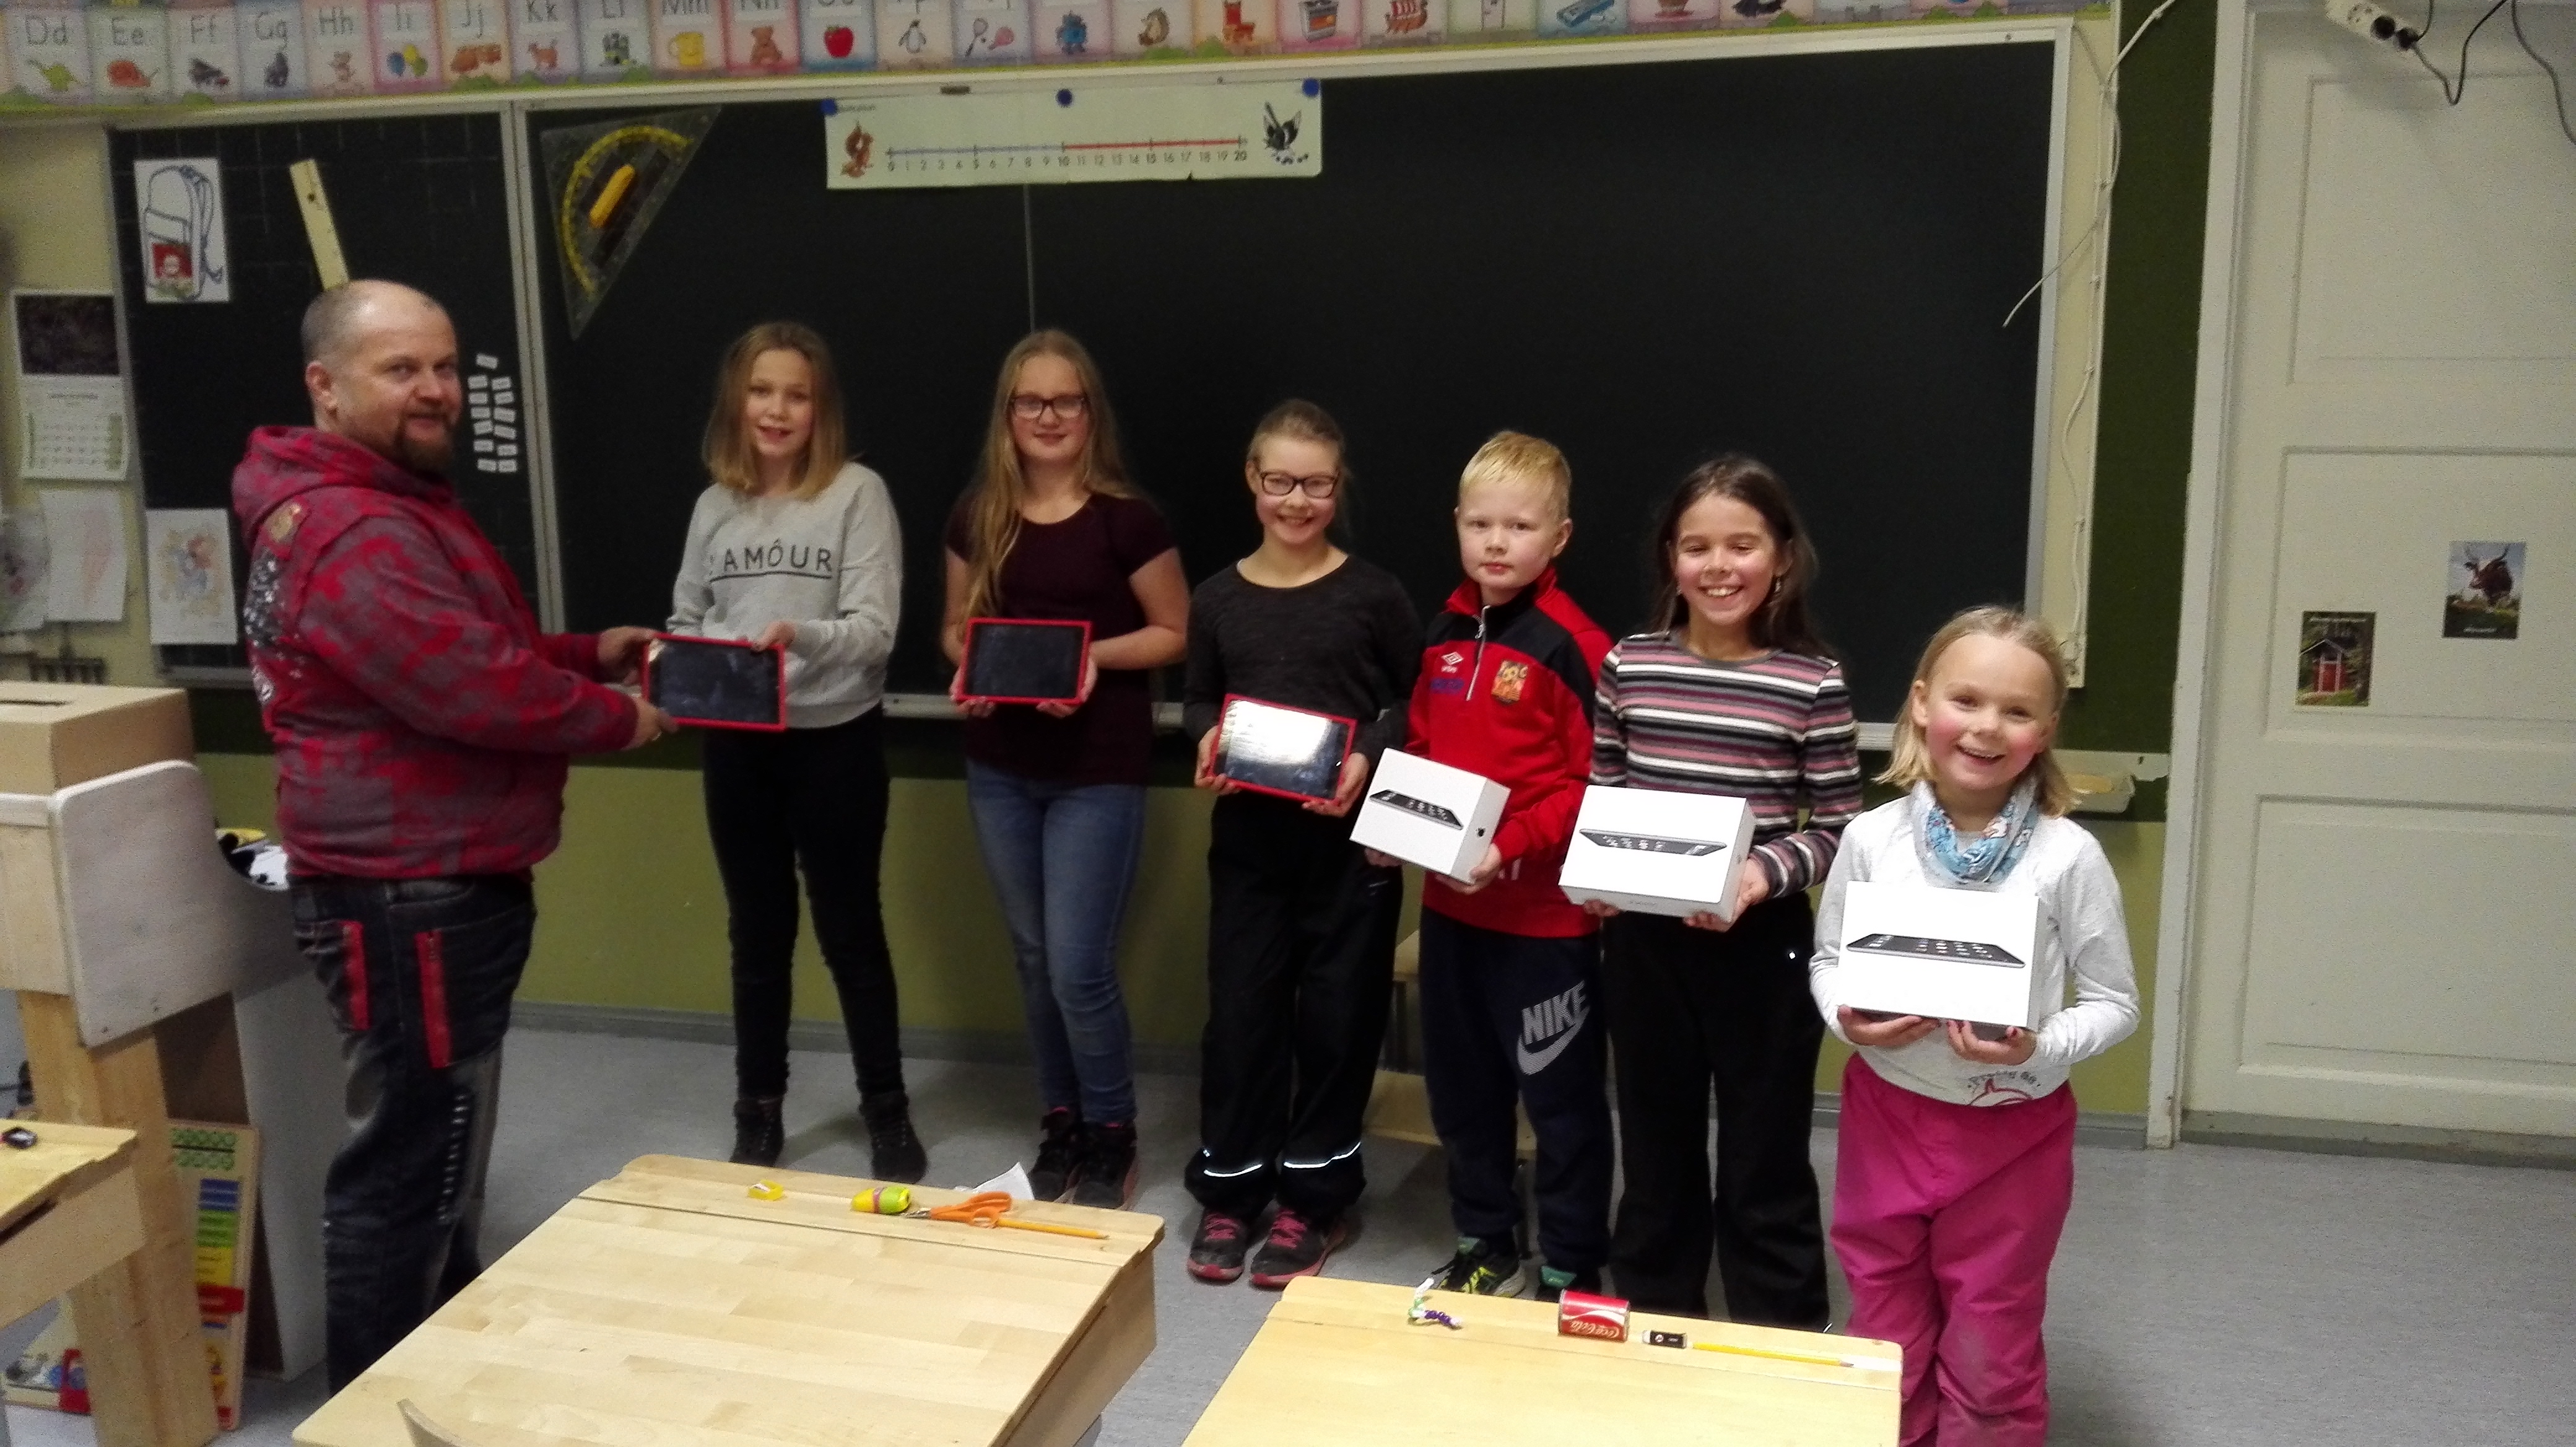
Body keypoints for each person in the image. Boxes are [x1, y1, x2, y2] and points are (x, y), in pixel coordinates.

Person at [231, 280, 672, 1388]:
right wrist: (617, 716)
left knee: (442, 1148)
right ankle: (374, 1412)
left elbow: (473, 648)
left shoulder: (390, 501)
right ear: (325, 386)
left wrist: (583, 654)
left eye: (445, 366)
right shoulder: (355, 530)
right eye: (400, 370)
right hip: (406, 895)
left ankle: (438, 1379)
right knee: (410, 1169)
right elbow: (471, 689)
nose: (435, 390)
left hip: (432, 880)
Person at [1809, 607, 2138, 1446]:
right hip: (1887, 1116)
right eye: (1967, 700)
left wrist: (2040, 1047)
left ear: (2045, 732)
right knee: (1885, 1324)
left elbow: (2115, 1002)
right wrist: (1848, 1020)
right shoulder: (1872, 839)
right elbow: (1828, 962)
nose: (1988, 727)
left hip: (2012, 1134)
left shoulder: (2067, 857)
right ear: (1922, 703)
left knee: (1993, 1334)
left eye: (2017, 711)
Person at [1586, 455, 1861, 1327]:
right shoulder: (1629, 666)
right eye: (1696, 546)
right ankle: (1656, 1306)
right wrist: (1599, 875)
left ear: (1782, 558)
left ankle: (1781, 1327)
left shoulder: (1812, 682)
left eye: (1742, 545)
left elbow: (1841, 828)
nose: (1718, 566)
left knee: (1764, 1150)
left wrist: (1758, 874)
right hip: (1647, 944)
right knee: (1655, 1141)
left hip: (1761, 946)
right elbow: (1606, 796)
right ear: (1670, 558)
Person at [667, 321, 921, 1179]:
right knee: (757, 934)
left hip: (835, 743)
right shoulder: (714, 506)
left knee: (851, 932)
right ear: (736, 402)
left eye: (797, 395)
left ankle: (886, 1109)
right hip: (739, 748)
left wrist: (795, 638)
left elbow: (875, 631)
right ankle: (758, 1109)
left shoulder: (857, 494)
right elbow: (686, 620)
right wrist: (691, 665)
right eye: (761, 391)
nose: (777, 410)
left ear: (822, 409)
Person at [941, 330, 1188, 1209]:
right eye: (1031, 402)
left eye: (1066, 401)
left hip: (1097, 770)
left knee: (1079, 965)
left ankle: (1111, 1131)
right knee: (1033, 957)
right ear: (1008, 414)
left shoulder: (1128, 520)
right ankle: (1062, 1122)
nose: (1048, 417)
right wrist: (970, 672)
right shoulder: (979, 515)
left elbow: (1173, 632)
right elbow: (955, 629)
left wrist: (1092, 661)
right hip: (1000, 766)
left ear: (1091, 413)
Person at [1181, 401, 1419, 1287]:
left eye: (1316, 484)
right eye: (1280, 481)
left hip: (1350, 850)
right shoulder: (1217, 597)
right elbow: (1198, 699)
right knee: (1241, 1020)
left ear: (1338, 485)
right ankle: (1232, 1190)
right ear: (1252, 479)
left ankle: (1314, 1200)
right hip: (1250, 846)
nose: (1297, 501)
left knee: (1337, 1022)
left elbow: (1417, 700)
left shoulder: (1374, 594)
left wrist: (1368, 754)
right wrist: (1207, 735)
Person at [1380, 431, 1612, 1303]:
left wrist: (1508, 846)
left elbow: (1592, 787)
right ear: (1457, 525)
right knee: (1462, 1095)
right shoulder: (1442, 633)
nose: (1497, 543)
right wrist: (1395, 827)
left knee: (1560, 1104)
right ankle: (1487, 1245)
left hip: (1545, 926)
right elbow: (1421, 755)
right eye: (1480, 524)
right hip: (1451, 917)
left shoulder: (1575, 645)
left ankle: (1571, 1263)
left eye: (1520, 527)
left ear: (1560, 537)